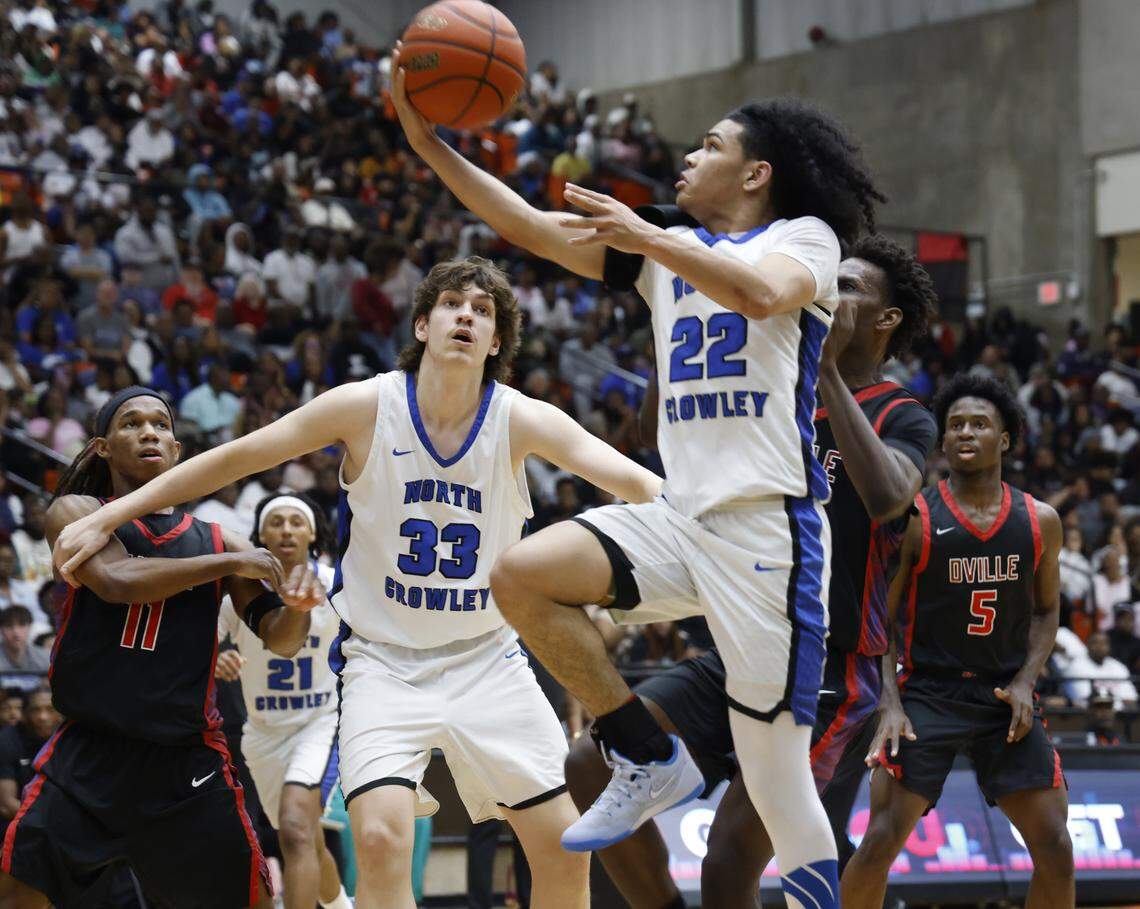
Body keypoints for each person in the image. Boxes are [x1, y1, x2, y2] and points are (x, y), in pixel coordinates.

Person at [391, 44, 883, 907]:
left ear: (757, 172)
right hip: (681, 514)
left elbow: (760, 296)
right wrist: (430, 145)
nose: (689, 156)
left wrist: (651, 235)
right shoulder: (662, 247)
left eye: (710, 144)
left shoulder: (803, 238)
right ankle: (645, 754)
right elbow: (529, 229)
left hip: (771, 531)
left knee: (775, 781)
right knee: (519, 574)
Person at [53, 257, 667, 909]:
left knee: (564, 843)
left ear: (496, 341)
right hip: (384, 666)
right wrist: (113, 514)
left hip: (490, 660)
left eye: (483, 311)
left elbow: (641, 485)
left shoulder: (522, 419)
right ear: (423, 324)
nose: (467, 315)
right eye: (453, 304)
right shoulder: (367, 404)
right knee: (377, 841)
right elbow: (240, 455)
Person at [563, 237, 939, 907]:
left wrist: (821, 369)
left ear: (887, 320)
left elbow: (889, 497)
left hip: (831, 665)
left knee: (732, 851)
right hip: (740, 637)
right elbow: (660, 436)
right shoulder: (770, 387)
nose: (828, 292)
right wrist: (673, 324)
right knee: (592, 762)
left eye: (847, 287)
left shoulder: (903, 413)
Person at [1, 387, 325, 908]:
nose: (149, 432)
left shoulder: (222, 540)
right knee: (18, 895)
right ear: (103, 447)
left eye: (160, 424)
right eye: (132, 423)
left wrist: (300, 608)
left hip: (185, 761)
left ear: (177, 450)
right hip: (91, 752)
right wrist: (225, 566)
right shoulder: (77, 512)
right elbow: (117, 580)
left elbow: (280, 640)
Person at [841, 375, 1074, 909]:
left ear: (1006, 439)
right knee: (878, 843)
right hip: (927, 694)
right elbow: (881, 617)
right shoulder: (917, 517)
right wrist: (890, 704)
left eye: (980, 424)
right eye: (956, 425)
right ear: (943, 441)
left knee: (1056, 846)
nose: (966, 432)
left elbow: (1045, 610)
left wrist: (1024, 682)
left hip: (1002, 699)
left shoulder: (1041, 521)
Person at [216, 492, 353, 909]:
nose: (287, 529)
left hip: (321, 724)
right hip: (262, 734)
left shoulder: (336, 585)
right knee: (304, 839)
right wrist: (218, 658)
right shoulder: (239, 596)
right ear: (259, 534)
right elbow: (198, 649)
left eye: (297, 521)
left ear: (312, 532)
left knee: (295, 829)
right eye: (277, 522)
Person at [0, 687, 59, 821]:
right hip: (18, 824)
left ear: (60, 714)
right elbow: (6, 805)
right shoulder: (6, 741)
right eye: (36, 710)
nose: (43, 717)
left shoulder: (68, 739)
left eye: (50, 709)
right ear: (24, 715)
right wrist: (51, 821)